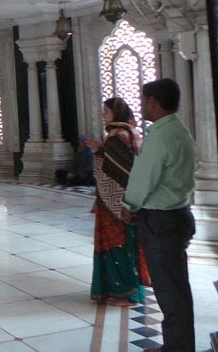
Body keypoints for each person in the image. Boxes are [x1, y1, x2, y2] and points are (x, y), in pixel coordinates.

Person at [123, 79, 196, 352]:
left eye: (144, 100)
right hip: (177, 215)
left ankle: (178, 348)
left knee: (169, 290)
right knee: (175, 287)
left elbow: (144, 178)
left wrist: (129, 204)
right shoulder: (178, 130)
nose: (142, 105)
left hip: (161, 220)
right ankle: (178, 345)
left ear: (154, 101)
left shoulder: (161, 136)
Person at [86, 98, 150, 307]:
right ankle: (124, 290)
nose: (103, 115)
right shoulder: (129, 133)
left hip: (115, 203)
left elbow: (120, 170)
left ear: (117, 113)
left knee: (118, 244)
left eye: (106, 111)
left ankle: (125, 292)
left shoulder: (117, 137)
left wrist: (99, 150)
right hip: (120, 201)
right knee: (124, 243)